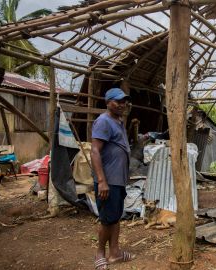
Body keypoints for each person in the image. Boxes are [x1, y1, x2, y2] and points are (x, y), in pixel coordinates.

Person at [91, 88, 135, 270]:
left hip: (118, 180)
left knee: (116, 217)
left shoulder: (118, 121)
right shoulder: (103, 121)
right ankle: (100, 254)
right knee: (106, 219)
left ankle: (115, 253)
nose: (122, 104)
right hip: (107, 181)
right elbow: (94, 151)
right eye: (118, 101)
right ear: (108, 102)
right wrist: (102, 180)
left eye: (124, 101)